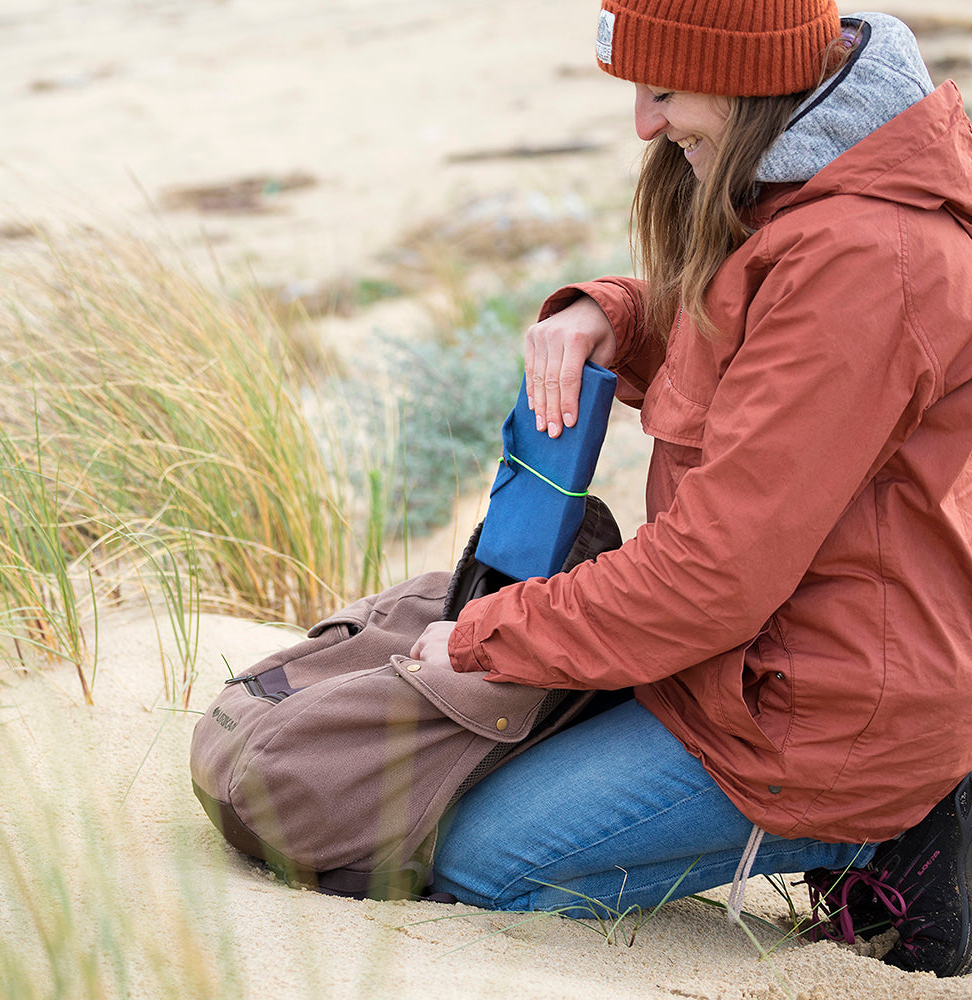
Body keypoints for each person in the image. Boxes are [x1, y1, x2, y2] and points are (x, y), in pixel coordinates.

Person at [408, 0, 972, 979]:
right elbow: (756, 339)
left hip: (812, 717)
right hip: (734, 673)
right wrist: (611, 317)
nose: (641, 122)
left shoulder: (864, 255)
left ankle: (875, 842)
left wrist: (482, 638)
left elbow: (710, 577)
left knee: (474, 865)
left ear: (749, 76)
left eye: (663, 90)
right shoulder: (810, 174)